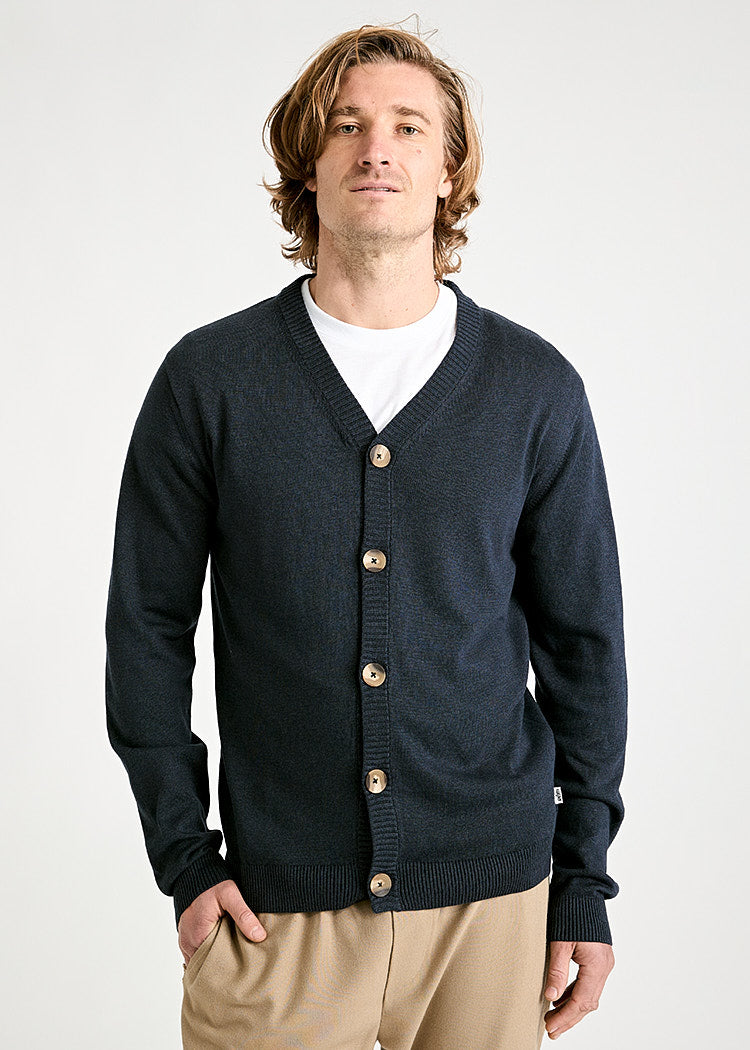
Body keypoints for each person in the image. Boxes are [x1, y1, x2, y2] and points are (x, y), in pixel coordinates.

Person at [105, 21, 627, 1049]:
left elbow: (585, 644)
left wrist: (583, 881)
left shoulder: (533, 389)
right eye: (346, 126)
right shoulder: (210, 381)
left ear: (449, 171)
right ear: (309, 166)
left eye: (407, 127)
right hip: (275, 913)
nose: (375, 148)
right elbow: (146, 628)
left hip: (493, 909)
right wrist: (185, 859)